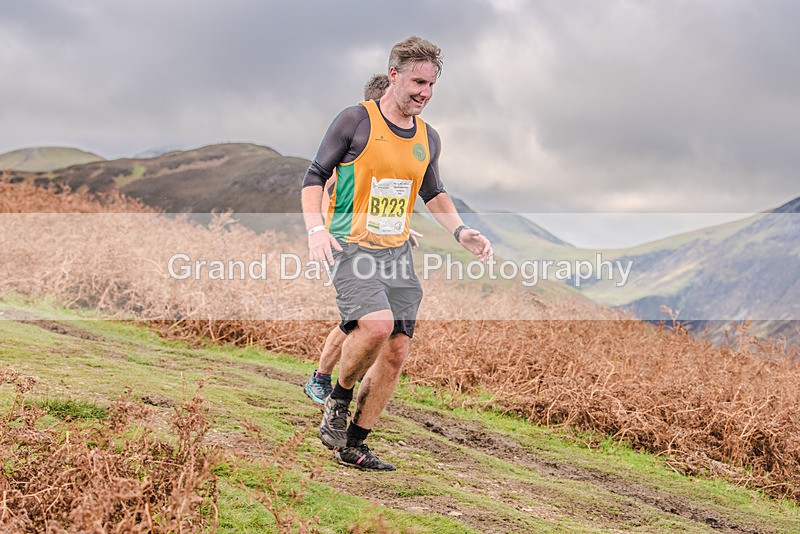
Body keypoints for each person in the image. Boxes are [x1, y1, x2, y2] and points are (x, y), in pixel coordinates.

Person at [301, 36, 492, 472]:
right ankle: (337, 395)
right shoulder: (355, 121)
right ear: (394, 75)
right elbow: (315, 175)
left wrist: (460, 231)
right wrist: (316, 229)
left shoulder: (429, 137)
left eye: (431, 85)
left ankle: (355, 443)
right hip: (351, 244)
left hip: (396, 253)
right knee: (374, 326)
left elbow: (433, 191)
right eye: (417, 81)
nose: (424, 92)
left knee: (397, 350)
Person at [304, 73, 422, 404]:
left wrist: (401, 228)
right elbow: (331, 194)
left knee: (368, 324)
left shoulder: (384, 155)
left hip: (382, 248)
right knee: (357, 321)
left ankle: (331, 383)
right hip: (345, 246)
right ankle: (321, 378)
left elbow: (379, 201)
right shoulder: (354, 143)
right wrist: (322, 232)